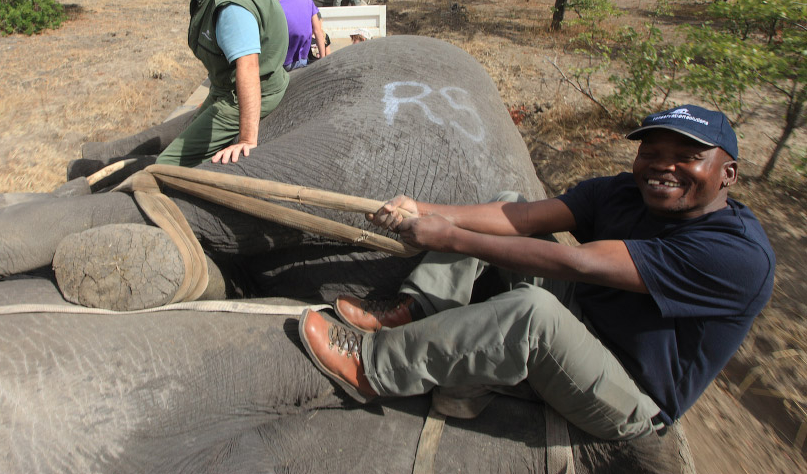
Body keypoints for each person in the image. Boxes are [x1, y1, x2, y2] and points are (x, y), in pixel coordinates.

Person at [298, 104, 774, 441]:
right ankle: (414, 309)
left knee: (533, 313)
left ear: (727, 174)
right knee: (510, 202)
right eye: (650, 152)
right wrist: (423, 210)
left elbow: (581, 262)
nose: (662, 166)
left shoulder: (735, 255)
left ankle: (373, 365)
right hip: (584, 314)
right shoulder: (624, 192)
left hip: (627, 391)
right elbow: (521, 219)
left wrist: (449, 237)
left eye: (687, 156)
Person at [158, 0, 290, 166]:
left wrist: (246, 139)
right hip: (223, 90)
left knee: (164, 166)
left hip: (248, 95)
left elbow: (248, 66)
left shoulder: (229, 2)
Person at [266, 0, 329, 71]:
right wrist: (323, 59)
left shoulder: (272, 8)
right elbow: (318, 32)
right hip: (303, 61)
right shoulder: (308, 2)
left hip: (281, 65)